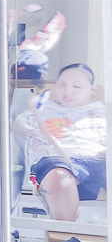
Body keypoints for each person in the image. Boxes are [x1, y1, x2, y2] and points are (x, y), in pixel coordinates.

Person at [14, 63, 106, 225]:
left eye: (76, 86)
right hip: (59, 165)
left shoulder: (105, 113)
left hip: (99, 164)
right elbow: (15, 128)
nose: (68, 91)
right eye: (62, 84)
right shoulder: (38, 112)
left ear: (92, 90)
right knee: (58, 173)